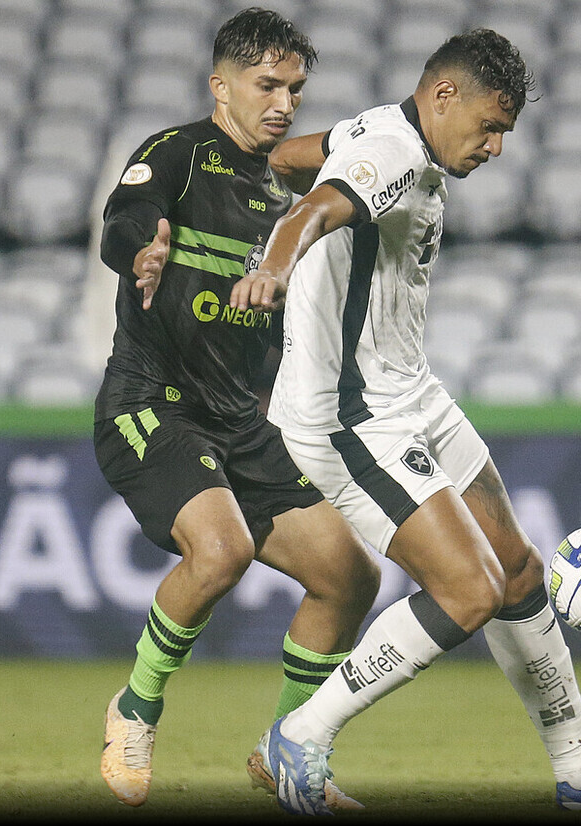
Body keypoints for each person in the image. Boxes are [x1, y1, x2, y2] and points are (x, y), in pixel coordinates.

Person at [230, 28, 581, 814]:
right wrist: (276, 264)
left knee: (516, 568)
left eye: (505, 133)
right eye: (488, 126)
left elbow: (284, 163)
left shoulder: (373, 133)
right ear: (442, 96)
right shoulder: (391, 151)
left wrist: (277, 211)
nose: (493, 147)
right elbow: (312, 207)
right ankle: (299, 735)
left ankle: (580, 766)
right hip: (350, 417)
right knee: (469, 589)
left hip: (412, 395)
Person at [93, 7, 379, 810]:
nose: (283, 100)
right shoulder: (178, 153)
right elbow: (124, 218)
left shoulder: (286, 191)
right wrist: (141, 248)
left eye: (294, 86)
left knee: (349, 578)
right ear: (221, 86)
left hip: (242, 422)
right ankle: (135, 706)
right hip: (151, 401)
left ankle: (286, 751)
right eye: (267, 84)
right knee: (217, 552)